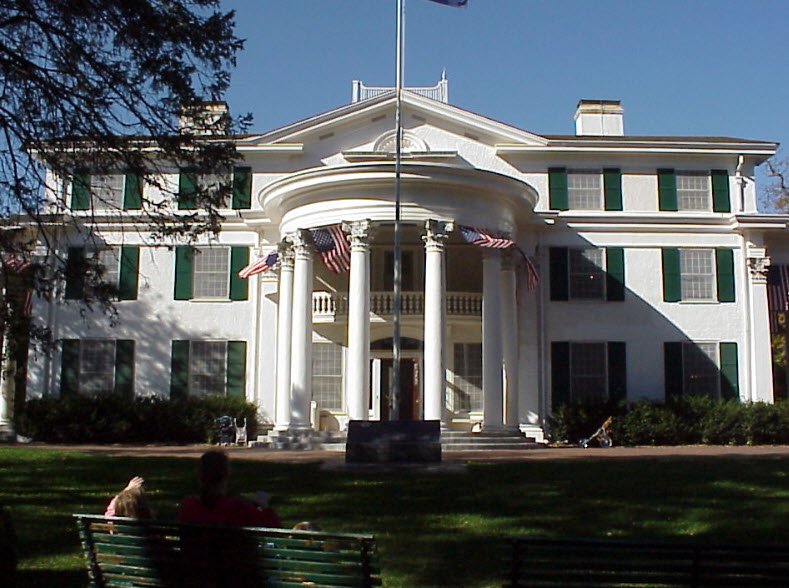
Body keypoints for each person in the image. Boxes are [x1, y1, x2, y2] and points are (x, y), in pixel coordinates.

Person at [178, 450, 281, 528]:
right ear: (226, 474)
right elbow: (273, 525)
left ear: (200, 474)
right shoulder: (236, 508)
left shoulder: (188, 506)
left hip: (194, 555)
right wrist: (263, 506)